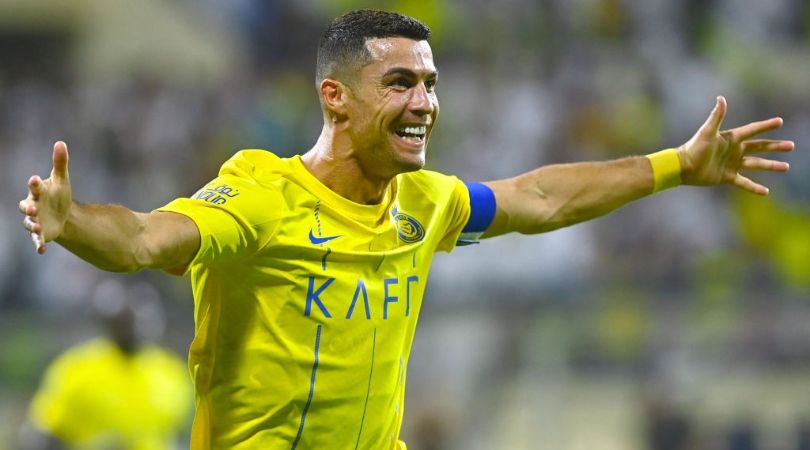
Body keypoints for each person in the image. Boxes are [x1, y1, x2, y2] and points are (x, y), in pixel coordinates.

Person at [17, 9, 794, 450]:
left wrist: (674, 166)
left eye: (429, 82)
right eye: (399, 82)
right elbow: (148, 240)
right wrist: (73, 221)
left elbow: (542, 199)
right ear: (335, 98)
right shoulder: (261, 194)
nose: (424, 102)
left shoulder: (424, 202)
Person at [19, 280, 192, 450]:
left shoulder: (173, 371)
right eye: (126, 320)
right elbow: (43, 433)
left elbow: (183, 433)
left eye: (143, 318)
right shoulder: (77, 369)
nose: (136, 326)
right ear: (110, 322)